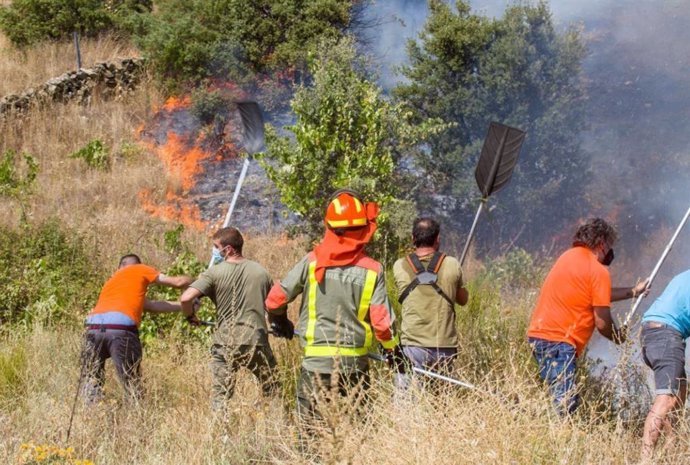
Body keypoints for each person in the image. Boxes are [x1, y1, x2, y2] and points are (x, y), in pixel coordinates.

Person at [264, 189, 398, 423]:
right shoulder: (373, 270)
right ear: (364, 230)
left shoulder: (312, 262)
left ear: (329, 227)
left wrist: (279, 320)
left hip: (316, 365)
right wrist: (391, 351)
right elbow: (382, 323)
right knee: (356, 436)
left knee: (309, 436)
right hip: (355, 368)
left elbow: (275, 299)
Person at [526, 218, 648, 415]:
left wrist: (633, 291)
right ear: (601, 243)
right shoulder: (598, 270)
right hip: (560, 342)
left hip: (538, 337)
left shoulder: (568, 257)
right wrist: (617, 337)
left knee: (556, 393)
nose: (610, 252)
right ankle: (559, 441)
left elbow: (595, 293)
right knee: (565, 403)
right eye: (610, 246)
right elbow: (602, 323)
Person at [180, 227, 278, 409]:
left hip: (225, 342)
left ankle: (220, 434)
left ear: (229, 249)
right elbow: (273, 305)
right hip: (256, 340)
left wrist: (190, 316)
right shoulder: (261, 272)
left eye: (217, 247)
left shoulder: (214, 273)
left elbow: (186, 298)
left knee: (221, 396)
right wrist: (277, 324)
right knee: (272, 389)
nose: (215, 251)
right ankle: (273, 428)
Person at [83, 254, 194, 401]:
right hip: (121, 330)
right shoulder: (139, 269)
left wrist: (183, 306)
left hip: (92, 329)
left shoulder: (111, 282)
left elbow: (151, 305)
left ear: (119, 267)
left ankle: (92, 416)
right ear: (137, 265)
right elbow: (179, 282)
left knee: (92, 380)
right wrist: (199, 282)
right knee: (131, 382)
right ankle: (137, 417)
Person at [393, 217, 469, 390]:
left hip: (411, 347)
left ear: (413, 238)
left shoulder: (399, 266)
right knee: (439, 401)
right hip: (444, 347)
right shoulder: (452, 264)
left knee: (406, 402)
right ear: (438, 239)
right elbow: (463, 300)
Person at [639, 269, 690, 459]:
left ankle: (672, 451)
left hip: (652, 332)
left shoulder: (684, 276)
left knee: (680, 390)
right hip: (666, 335)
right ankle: (645, 459)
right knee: (666, 398)